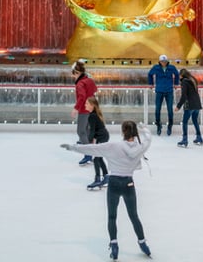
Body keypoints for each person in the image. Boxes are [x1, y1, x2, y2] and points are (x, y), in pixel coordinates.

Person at [61, 121, 153, 260]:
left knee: (112, 216)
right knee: (134, 216)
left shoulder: (114, 146)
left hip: (114, 183)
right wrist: (145, 129)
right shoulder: (140, 147)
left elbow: (92, 148)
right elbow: (148, 139)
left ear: (123, 132)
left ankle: (114, 245)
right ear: (135, 132)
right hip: (129, 184)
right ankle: (143, 243)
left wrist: (73, 147)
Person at [71, 59, 98, 166]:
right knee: (87, 130)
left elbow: (82, 97)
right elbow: (95, 90)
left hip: (84, 109)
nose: (73, 76)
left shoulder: (80, 84)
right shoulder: (89, 80)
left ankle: (88, 155)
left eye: (73, 74)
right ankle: (88, 146)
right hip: (92, 108)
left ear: (77, 73)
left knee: (81, 131)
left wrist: (76, 108)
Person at [147, 54, 179, 136]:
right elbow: (150, 74)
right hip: (159, 91)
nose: (163, 63)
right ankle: (158, 125)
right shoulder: (156, 67)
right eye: (162, 61)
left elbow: (177, 75)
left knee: (170, 110)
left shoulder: (172, 67)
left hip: (169, 91)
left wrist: (176, 84)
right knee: (157, 109)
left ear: (167, 61)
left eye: (165, 61)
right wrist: (151, 84)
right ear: (159, 61)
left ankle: (170, 125)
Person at [84, 96, 110, 190]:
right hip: (103, 136)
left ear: (92, 105)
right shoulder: (94, 114)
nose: (85, 105)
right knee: (99, 158)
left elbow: (92, 131)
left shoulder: (92, 116)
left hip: (102, 137)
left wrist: (89, 142)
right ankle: (106, 177)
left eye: (87, 103)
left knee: (96, 159)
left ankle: (98, 179)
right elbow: (95, 131)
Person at [174, 68, 202, 147]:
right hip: (197, 104)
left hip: (190, 105)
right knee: (195, 121)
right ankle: (199, 138)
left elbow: (184, 96)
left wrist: (178, 106)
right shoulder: (193, 80)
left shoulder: (184, 82)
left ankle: (185, 140)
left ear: (181, 75)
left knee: (185, 122)